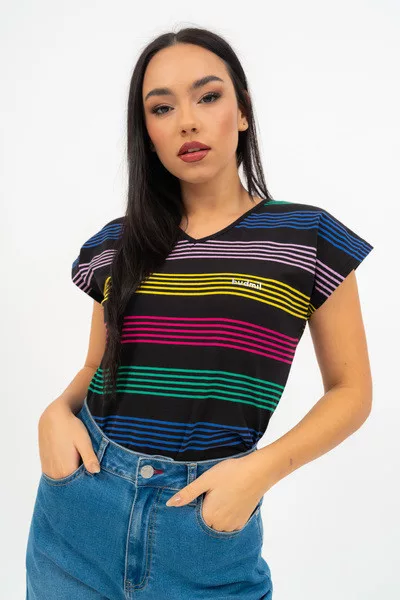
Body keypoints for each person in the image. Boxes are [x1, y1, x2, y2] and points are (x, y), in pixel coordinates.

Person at [25, 26, 374, 600]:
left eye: (208, 96)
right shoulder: (118, 242)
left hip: (206, 525)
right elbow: (96, 365)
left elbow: (352, 392)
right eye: (162, 108)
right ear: (148, 134)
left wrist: (257, 473)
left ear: (243, 112)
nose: (187, 122)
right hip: (79, 514)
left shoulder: (307, 238)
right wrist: (55, 413)